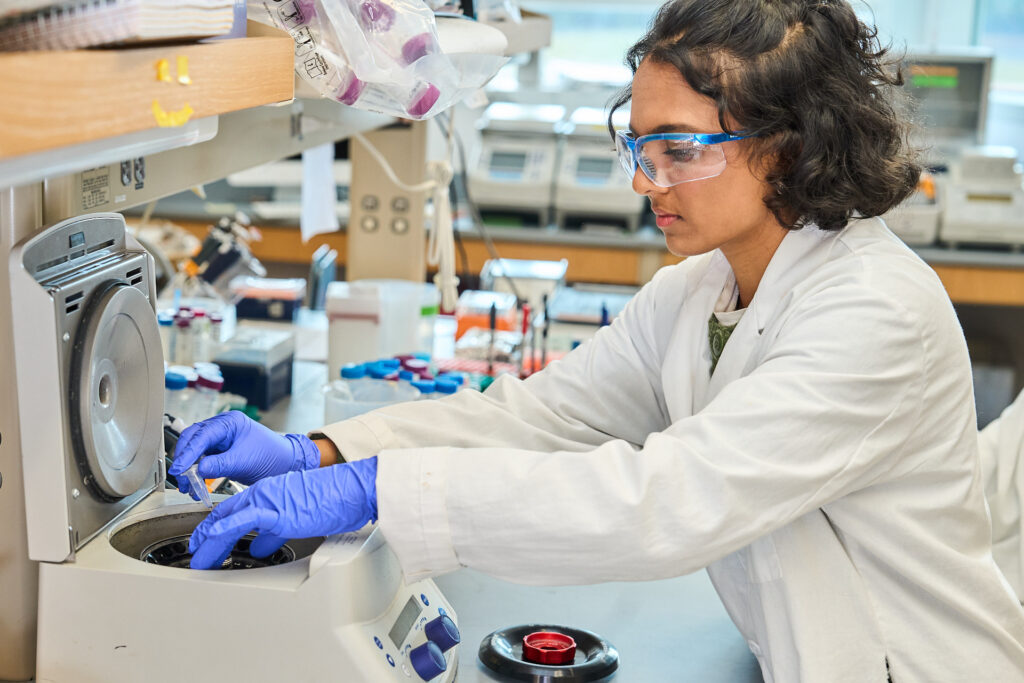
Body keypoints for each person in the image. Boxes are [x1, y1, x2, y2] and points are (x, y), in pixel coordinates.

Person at [170, 0, 1024, 679]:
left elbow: (667, 501)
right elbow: (539, 418)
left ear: (788, 146)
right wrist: (323, 451)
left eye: (679, 149)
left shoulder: (876, 314)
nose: (644, 179)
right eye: (639, 143)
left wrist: (386, 491)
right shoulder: (698, 289)